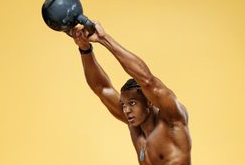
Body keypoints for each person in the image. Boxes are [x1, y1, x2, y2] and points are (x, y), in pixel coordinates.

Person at [70, 21, 191, 165]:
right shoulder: (134, 123)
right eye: (124, 104)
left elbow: (147, 81)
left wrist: (103, 39)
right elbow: (101, 89)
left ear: (149, 101)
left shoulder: (172, 120)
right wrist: (85, 49)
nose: (126, 110)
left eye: (132, 103)